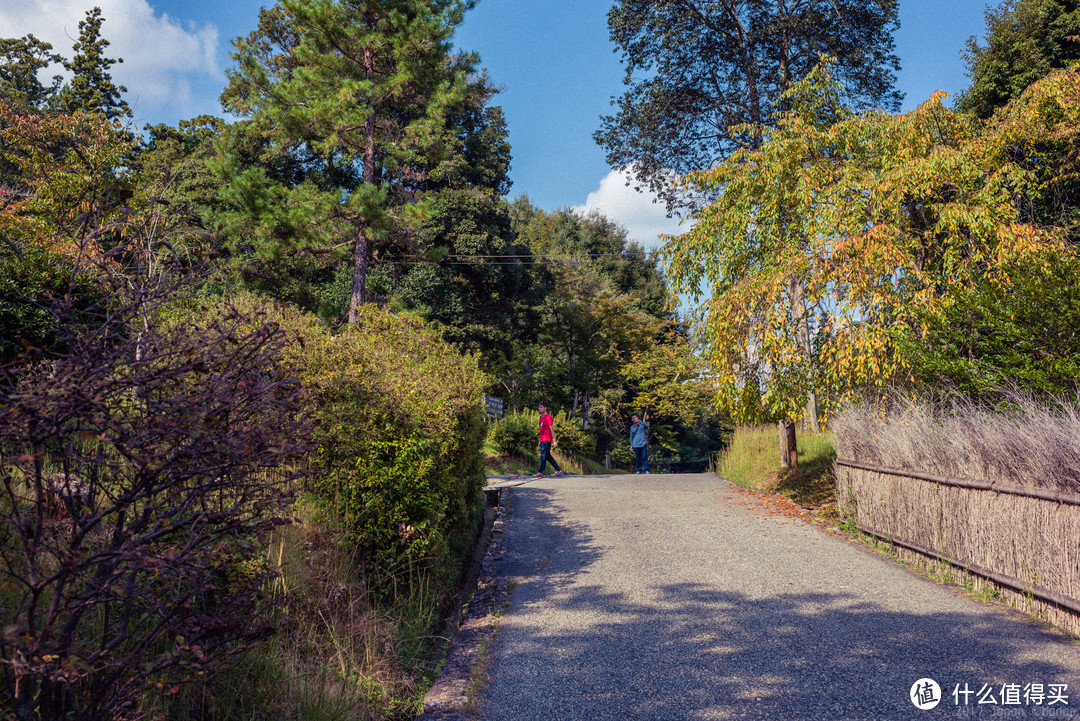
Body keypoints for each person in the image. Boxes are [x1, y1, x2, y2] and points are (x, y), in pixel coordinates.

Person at [534, 402, 566, 478]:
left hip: (546, 440)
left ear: (545, 408)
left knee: (543, 455)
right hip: (542, 440)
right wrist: (539, 440)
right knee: (547, 456)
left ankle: (540, 471)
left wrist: (554, 441)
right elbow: (541, 430)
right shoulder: (541, 418)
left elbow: (552, 429)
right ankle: (557, 470)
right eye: (539, 407)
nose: (539, 409)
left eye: (541, 407)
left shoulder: (548, 417)